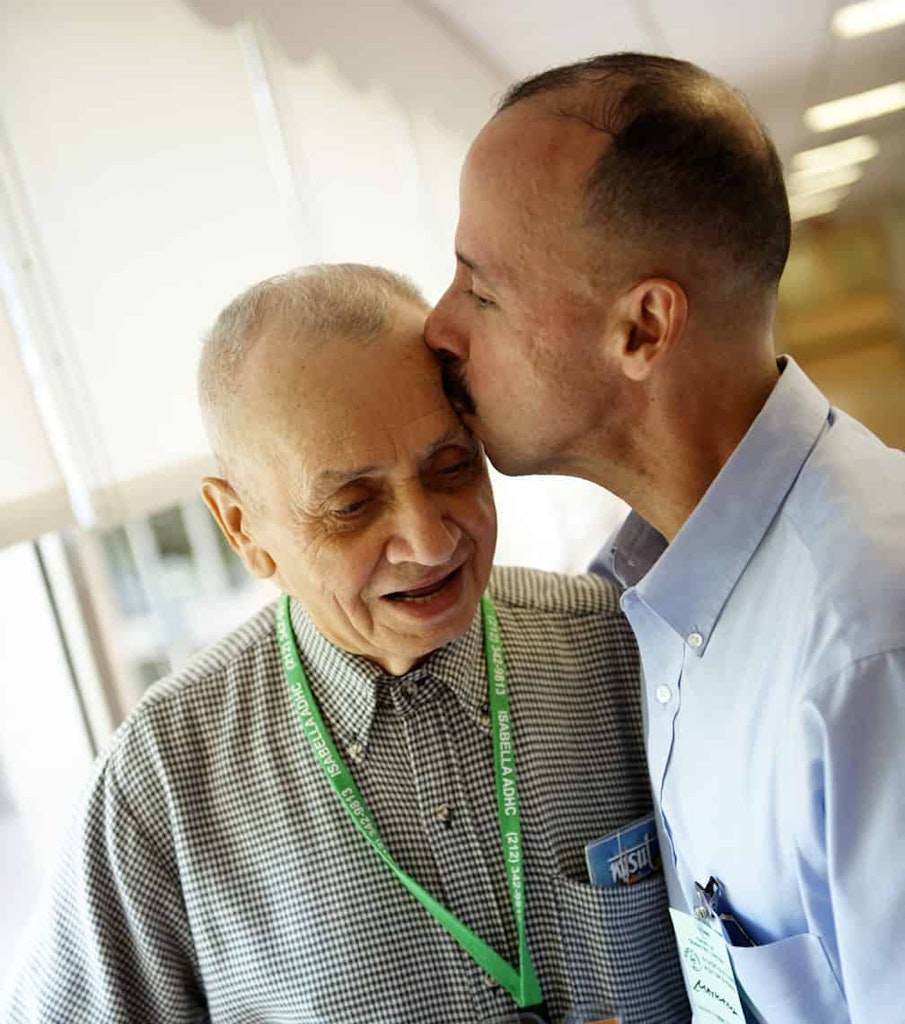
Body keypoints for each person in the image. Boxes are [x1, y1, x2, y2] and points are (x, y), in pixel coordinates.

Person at [1, 264, 690, 1024]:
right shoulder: (163, 782)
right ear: (242, 530)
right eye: (353, 506)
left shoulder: (622, 650)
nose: (429, 543)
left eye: (451, 467)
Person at [424, 52, 905, 1024]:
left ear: (642, 329)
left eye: (480, 290)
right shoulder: (656, 601)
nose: (437, 327)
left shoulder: (866, 642)